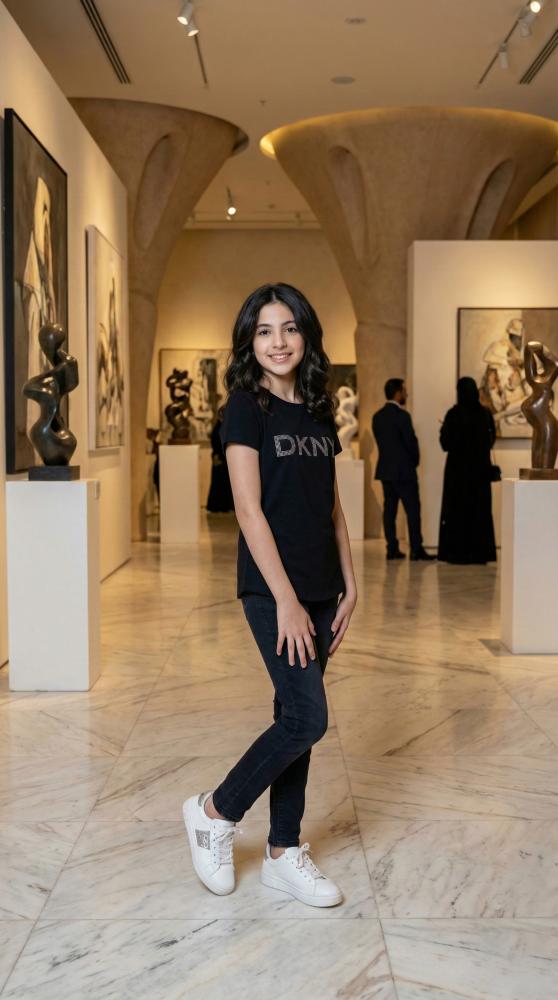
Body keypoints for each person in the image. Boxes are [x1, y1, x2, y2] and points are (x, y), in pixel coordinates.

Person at [183, 283, 357, 907]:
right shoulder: (245, 408)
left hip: (322, 587)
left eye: (288, 328)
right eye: (263, 331)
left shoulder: (318, 408)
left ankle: (283, 850)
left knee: (295, 716)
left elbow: (332, 506)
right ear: (249, 342)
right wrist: (285, 599)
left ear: (305, 335)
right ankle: (214, 811)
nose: (278, 342)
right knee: (308, 718)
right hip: (271, 588)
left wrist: (351, 581)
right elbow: (249, 510)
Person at [372, 378, 434, 561]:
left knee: (389, 511)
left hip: (386, 471)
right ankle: (416, 549)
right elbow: (411, 444)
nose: (406, 394)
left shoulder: (377, 417)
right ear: (397, 393)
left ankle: (392, 548)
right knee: (413, 511)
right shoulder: (403, 416)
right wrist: (414, 462)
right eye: (404, 391)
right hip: (404, 472)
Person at [438, 376, 496, 565]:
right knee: (479, 511)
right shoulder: (485, 414)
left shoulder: (453, 415)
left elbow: (444, 443)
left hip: (457, 473)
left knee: (457, 512)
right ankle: (479, 553)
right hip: (480, 471)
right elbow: (491, 440)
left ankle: (457, 553)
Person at [205, 408, 234, 513]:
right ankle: (218, 506)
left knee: (223, 484)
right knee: (219, 484)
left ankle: (223, 506)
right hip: (220, 459)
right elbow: (217, 444)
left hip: (223, 458)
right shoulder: (219, 429)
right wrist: (219, 456)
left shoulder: (222, 427)